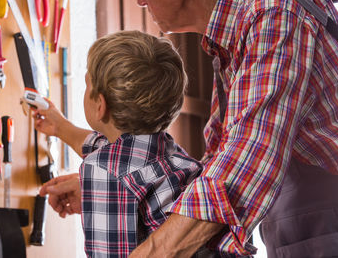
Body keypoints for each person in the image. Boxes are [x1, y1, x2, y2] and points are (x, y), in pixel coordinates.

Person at [125, 0, 338, 257]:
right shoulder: (233, 37)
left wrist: (156, 251)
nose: (139, 0)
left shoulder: (273, 11)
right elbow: (217, 157)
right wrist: (120, 191)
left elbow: (251, 151)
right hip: (309, 225)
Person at [36, 30, 214, 257]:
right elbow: (116, 153)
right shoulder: (171, 154)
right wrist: (60, 127)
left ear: (100, 105)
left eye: (87, 84)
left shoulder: (104, 171)